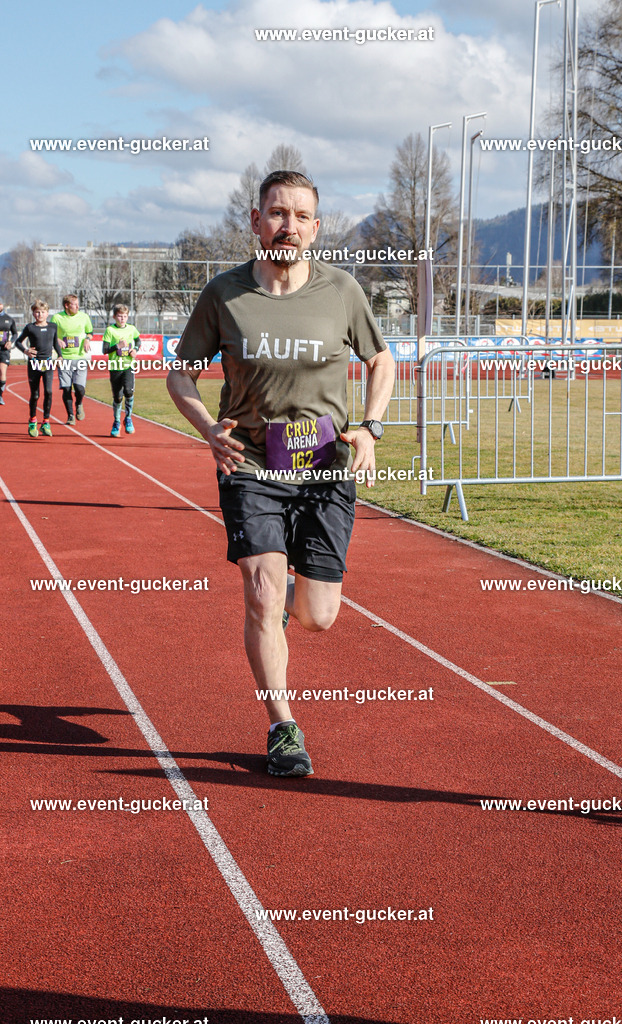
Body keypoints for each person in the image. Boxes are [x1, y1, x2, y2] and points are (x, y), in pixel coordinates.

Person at [167, 169, 395, 777]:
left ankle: (284, 597)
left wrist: (370, 428)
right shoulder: (225, 294)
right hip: (251, 462)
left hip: (324, 468)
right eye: (276, 213)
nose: (287, 226)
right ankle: (282, 725)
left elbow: (381, 360)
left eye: (299, 216)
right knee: (264, 594)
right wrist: (206, 428)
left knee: (318, 615)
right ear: (255, 220)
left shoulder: (341, 291)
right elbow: (180, 373)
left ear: (316, 228)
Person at [15, 300, 61, 436]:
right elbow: (18, 341)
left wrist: (60, 356)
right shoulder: (30, 327)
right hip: (34, 364)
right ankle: (32, 421)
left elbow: (55, 343)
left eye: (43, 312)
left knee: (48, 391)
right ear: (33, 313)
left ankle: (46, 422)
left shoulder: (53, 327)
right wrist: (26, 351)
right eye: (37, 312)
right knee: (35, 395)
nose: (40, 314)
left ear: (47, 313)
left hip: (48, 363)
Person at [50, 294, 93, 425]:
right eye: (75, 304)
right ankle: (70, 415)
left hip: (80, 357)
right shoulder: (57, 318)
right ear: (67, 306)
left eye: (78, 304)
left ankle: (79, 403)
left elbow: (90, 332)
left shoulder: (84, 317)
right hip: (64, 357)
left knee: (79, 388)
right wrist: (57, 339)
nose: (78, 306)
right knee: (67, 388)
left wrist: (87, 339)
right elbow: (50, 335)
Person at [101, 303, 141, 436]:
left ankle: (128, 419)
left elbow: (138, 341)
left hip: (128, 366)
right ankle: (117, 421)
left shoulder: (132, 329)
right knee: (118, 397)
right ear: (114, 316)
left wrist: (134, 349)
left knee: (129, 392)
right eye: (120, 316)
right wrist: (118, 345)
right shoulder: (110, 330)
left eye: (125, 316)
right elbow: (104, 350)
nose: (122, 319)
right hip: (115, 367)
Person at [0, 301, 18, 406]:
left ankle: (0, 395)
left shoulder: (9, 319)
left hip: (3, 349)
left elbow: (15, 333)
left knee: (2, 373)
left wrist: (11, 341)